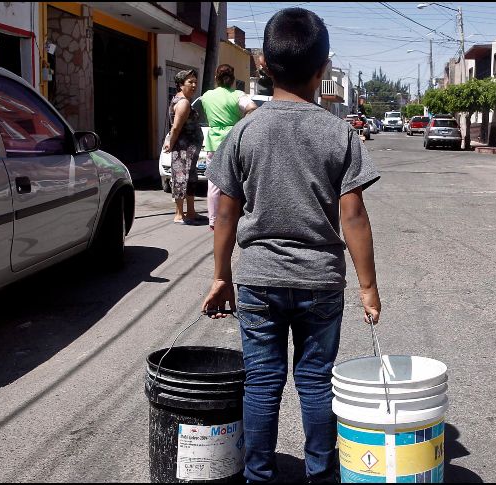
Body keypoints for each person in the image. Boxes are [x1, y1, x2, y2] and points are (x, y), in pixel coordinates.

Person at [201, 7, 381, 483]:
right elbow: (353, 216)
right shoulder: (339, 133)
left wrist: (221, 276)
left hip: (258, 279)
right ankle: (321, 474)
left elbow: (225, 214)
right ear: (323, 69)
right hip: (320, 281)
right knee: (316, 382)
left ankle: (259, 476)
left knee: (262, 383)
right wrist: (367, 287)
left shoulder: (244, 131)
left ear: (263, 64)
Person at [200, 64, 258, 230]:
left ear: (216, 79)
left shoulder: (206, 96)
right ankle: (235, 216)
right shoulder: (238, 95)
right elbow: (252, 108)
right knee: (235, 182)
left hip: (213, 142)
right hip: (232, 141)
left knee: (213, 184)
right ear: (233, 79)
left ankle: (213, 220)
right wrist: (242, 124)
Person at [163, 69, 206, 224]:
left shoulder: (184, 100)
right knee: (181, 179)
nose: (194, 85)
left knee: (191, 179)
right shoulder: (183, 103)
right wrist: (170, 142)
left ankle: (191, 212)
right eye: (190, 82)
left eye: (195, 82)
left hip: (189, 149)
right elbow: (176, 127)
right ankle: (179, 214)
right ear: (181, 84)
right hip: (183, 148)